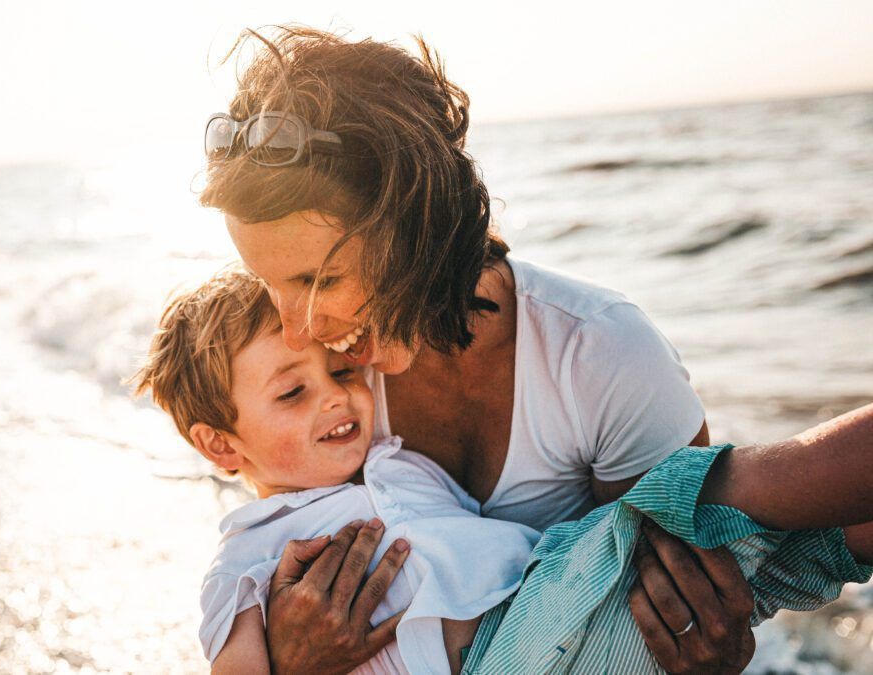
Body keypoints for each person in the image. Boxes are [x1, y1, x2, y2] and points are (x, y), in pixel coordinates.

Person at [199, 26, 755, 673]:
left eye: (316, 281)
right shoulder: (323, 383)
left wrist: (717, 652)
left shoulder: (599, 354)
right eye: (268, 283)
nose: (295, 329)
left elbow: (700, 604)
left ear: (415, 226)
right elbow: (276, 553)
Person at [131, 267, 873, 674]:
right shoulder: (250, 554)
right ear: (221, 446)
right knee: (691, 505)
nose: (336, 395)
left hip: (551, 604)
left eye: (338, 368)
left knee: (793, 548)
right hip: (509, 655)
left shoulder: (395, 461)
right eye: (293, 392)